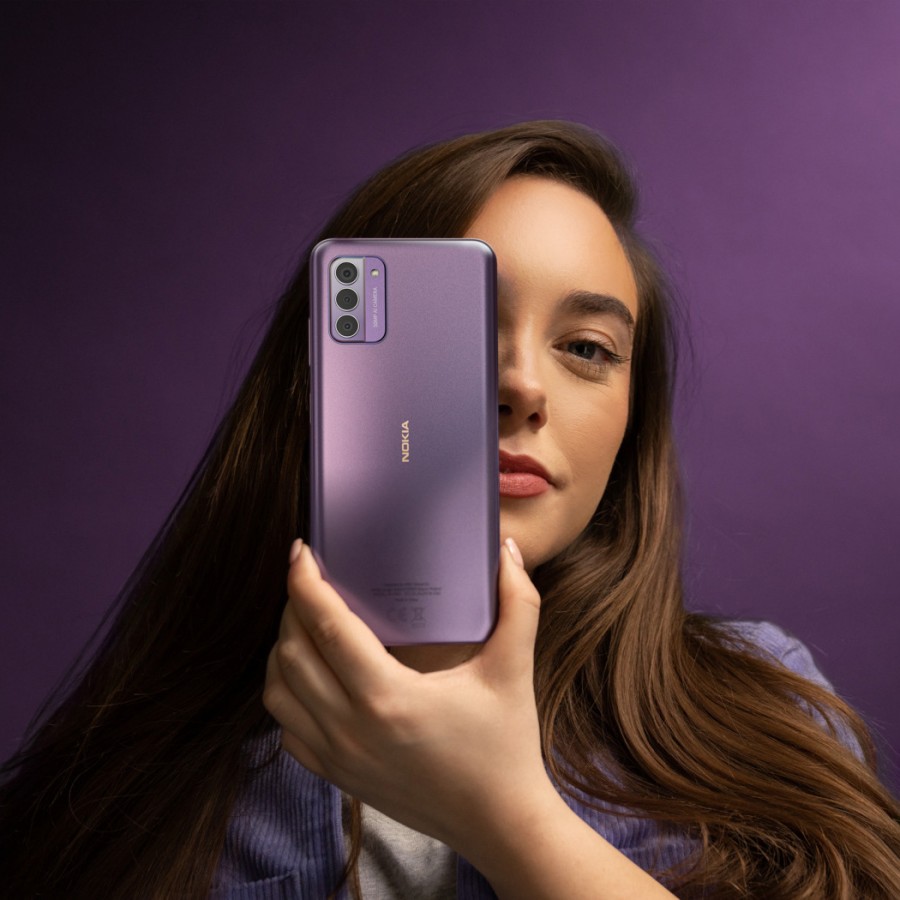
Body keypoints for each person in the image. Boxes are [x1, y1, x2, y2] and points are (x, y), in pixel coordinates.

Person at [1, 121, 898, 899]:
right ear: (325, 382)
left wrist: (504, 815)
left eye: (587, 348)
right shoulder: (125, 795)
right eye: (458, 329)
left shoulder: (766, 705)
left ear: (632, 421)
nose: (522, 386)